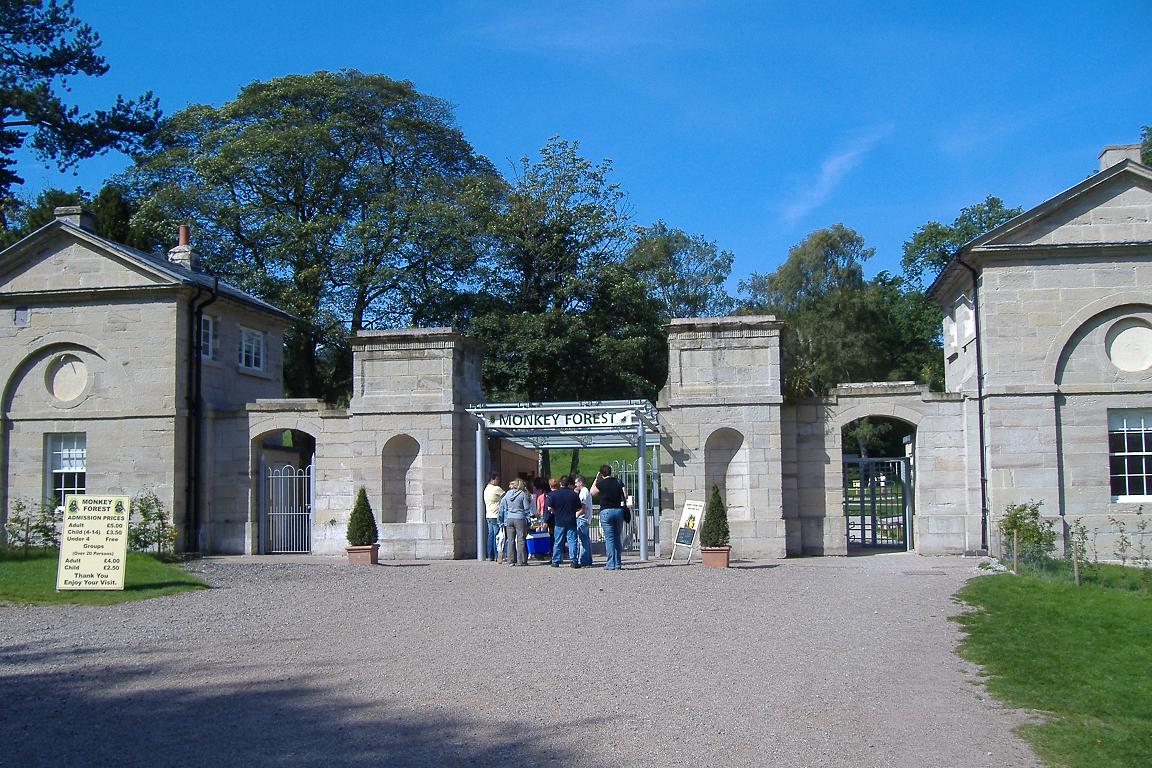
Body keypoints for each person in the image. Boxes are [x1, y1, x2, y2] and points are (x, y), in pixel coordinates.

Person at [591, 464, 627, 570]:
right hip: (618, 511)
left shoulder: (601, 483)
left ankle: (611, 563)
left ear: (601, 473)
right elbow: (625, 495)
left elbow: (592, 492)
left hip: (606, 511)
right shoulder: (618, 482)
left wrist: (596, 479)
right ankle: (618, 563)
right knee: (617, 537)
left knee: (609, 538)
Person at [545, 475, 582, 568]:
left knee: (558, 541)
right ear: (569, 484)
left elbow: (549, 508)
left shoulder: (554, 494)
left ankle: (555, 561)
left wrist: (555, 512)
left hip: (559, 521)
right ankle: (573, 561)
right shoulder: (573, 494)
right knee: (572, 541)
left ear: (560, 483)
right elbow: (579, 507)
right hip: (571, 520)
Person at [501, 479, 532, 566]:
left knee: (510, 540)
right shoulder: (522, 494)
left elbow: (504, 505)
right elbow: (526, 507)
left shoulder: (507, 494)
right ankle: (521, 560)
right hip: (519, 518)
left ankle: (511, 560)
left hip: (509, 518)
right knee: (520, 539)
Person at [483, 472, 504, 562]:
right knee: (497, 535)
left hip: (488, 514)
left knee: (490, 535)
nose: (499, 481)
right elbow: (506, 496)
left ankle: (490, 555)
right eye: (497, 479)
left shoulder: (486, 488)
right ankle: (496, 556)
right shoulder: (496, 489)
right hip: (495, 515)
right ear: (492, 480)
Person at [573, 475, 594, 566]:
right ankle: (588, 560)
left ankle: (583, 560)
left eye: (576, 483)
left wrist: (576, 515)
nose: (575, 485)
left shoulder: (584, 492)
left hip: (582, 519)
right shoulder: (585, 491)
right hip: (585, 518)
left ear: (580, 482)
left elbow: (583, 507)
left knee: (582, 540)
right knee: (586, 540)